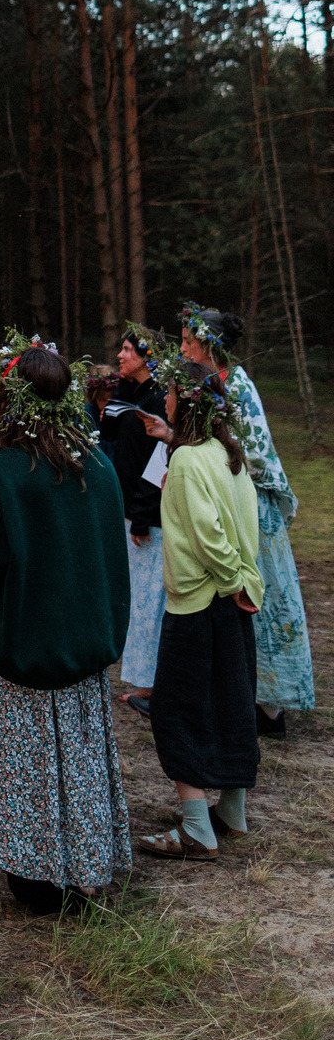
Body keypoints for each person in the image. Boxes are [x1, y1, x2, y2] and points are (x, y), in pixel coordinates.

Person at [0, 333, 131, 916]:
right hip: (85, 647)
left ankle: (38, 874)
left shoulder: (6, 474)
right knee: (79, 756)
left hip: (30, 651)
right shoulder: (100, 465)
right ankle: (86, 861)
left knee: (33, 762)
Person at [136, 360, 263, 861]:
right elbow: (244, 518)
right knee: (233, 702)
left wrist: (231, 580)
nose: (163, 400)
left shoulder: (189, 460)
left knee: (176, 709)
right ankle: (232, 811)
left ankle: (196, 829)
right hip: (232, 605)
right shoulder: (227, 454)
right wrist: (243, 583)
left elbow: (210, 533)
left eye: (168, 394)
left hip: (201, 603)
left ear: (185, 403)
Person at [181, 302, 314, 736]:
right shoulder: (208, 383)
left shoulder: (238, 385)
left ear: (209, 346)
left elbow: (255, 452)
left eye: (188, 342)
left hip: (250, 507)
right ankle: (239, 695)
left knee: (264, 596)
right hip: (226, 501)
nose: (182, 349)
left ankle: (271, 706)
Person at [88, 326, 168, 718]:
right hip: (120, 505)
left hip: (146, 514)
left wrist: (141, 514)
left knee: (149, 599)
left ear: (147, 356)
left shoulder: (158, 399)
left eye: (127, 349)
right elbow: (109, 438)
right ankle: (139, 678)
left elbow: (157, 465)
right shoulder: (124, 393)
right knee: (133, 595)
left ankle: (149, 684)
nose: (120, 355)